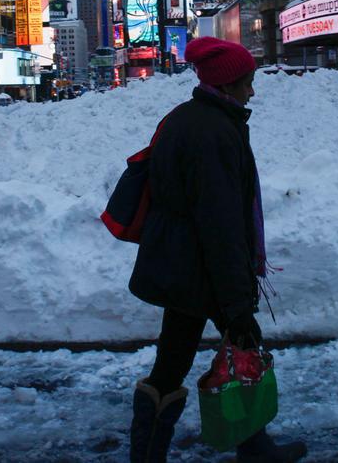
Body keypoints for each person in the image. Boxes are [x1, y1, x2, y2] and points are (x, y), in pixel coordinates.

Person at [128, 37, 306, 463]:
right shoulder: (214, 133)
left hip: (182, 264)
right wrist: (237, 299)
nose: (252, 91)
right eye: (248, 82)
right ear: (227, 85)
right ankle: (253, 450)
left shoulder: (188, 119)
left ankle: (159, 455)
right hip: (202, 268)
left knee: (175, 363)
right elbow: (221, 223)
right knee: (240, 344)